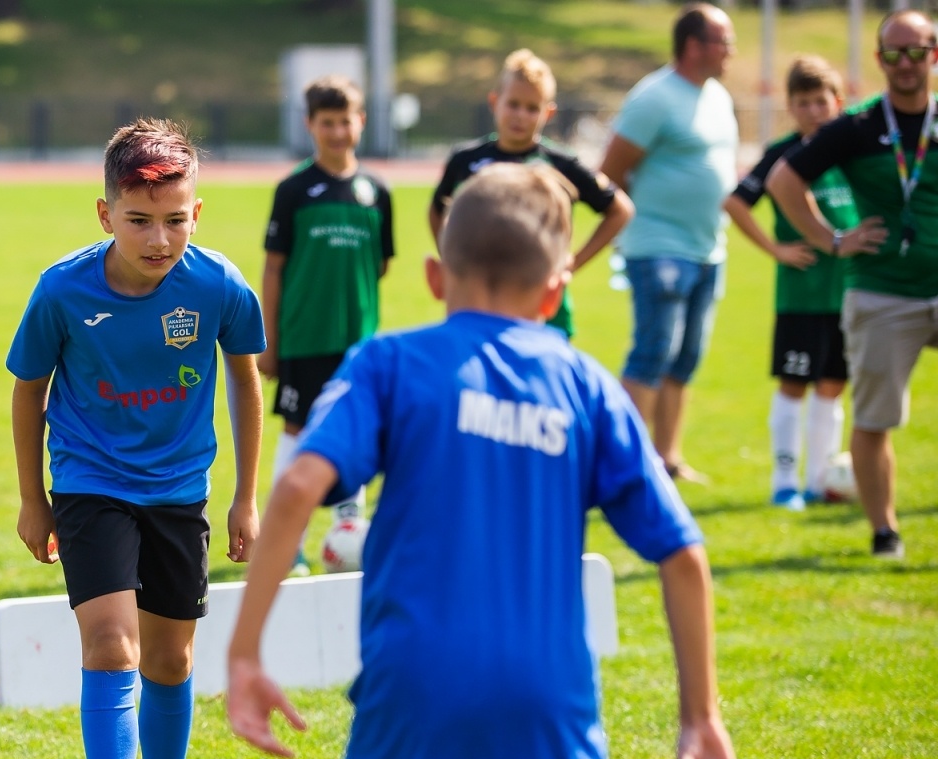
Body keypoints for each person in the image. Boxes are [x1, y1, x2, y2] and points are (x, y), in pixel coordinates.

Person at [225, 165, 744, 759]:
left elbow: (302, 483)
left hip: (414, 698)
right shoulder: (586, 385)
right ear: (556, 288)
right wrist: (700, 716)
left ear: (434, 275)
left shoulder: (391, 361)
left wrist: (244, 655)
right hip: (542, 710)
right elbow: (683, 554)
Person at [7, 118, 265, 759]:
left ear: (198, 212)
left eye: (177, 219)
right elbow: (28, 391)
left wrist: (245, 495)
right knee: (110, 643)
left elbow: (247, 384)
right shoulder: (61, 290)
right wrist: (31, 497)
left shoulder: (219, 286)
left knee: (170, 662)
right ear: (104, 213)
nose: (160, 239)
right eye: (140, 220)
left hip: (178, 493)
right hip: (89, 483)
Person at [767, 9, 937, 560]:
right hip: (883, 290)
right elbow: (783, 180)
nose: (906, 62)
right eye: (894, 52)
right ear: (879, 59)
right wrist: (831, 240)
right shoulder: (859, 126)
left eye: (917, 50)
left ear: (934, 53)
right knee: (873, 418)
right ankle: (884, 532)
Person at [600, 2, 740, 483]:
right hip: (657, 246)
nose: (731, 51)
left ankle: (667, 460)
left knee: (684, 361)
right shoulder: (654, 97)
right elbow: (610, 174)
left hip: (707, 248)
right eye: (725, 41)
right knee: (651, 354)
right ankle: (623, 465)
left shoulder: (717, 95)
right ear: (695, 45)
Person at [260, 76, 393, 575]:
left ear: (361, 122)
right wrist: (270, 340)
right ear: (309, 125)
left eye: (346, 121)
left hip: (358, 342)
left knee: (354, 429)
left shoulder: (376, 192)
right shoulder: (294, 190)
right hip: (304, 336)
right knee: (296, 430)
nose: (338, 131)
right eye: (327, 122)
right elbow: (274, 268)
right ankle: (285, 538)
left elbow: (379, 265)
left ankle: (347, 532)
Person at [725, 57, 863, 512]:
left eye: (820, 101)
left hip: (847, 290)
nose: (812, 111)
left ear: (838, 103)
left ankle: (819, 479)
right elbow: (737, 202)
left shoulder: (854, 152)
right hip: (801, 293)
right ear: (791, 107)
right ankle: (784, 481)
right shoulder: (783, 154)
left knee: (832, 384)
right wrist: (777, 249)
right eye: (802, 103)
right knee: (794, 383)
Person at [430, 49, 634, 340]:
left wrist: (573, 262)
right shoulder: (466, 160)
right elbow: (437, 209)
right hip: (479, 296)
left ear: (548, 113)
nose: (520, 116)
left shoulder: (562, 164)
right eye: (513, 104)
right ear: (494, 101)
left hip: (542, 297)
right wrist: (452, 259)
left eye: (532, 108)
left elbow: (620, 210)